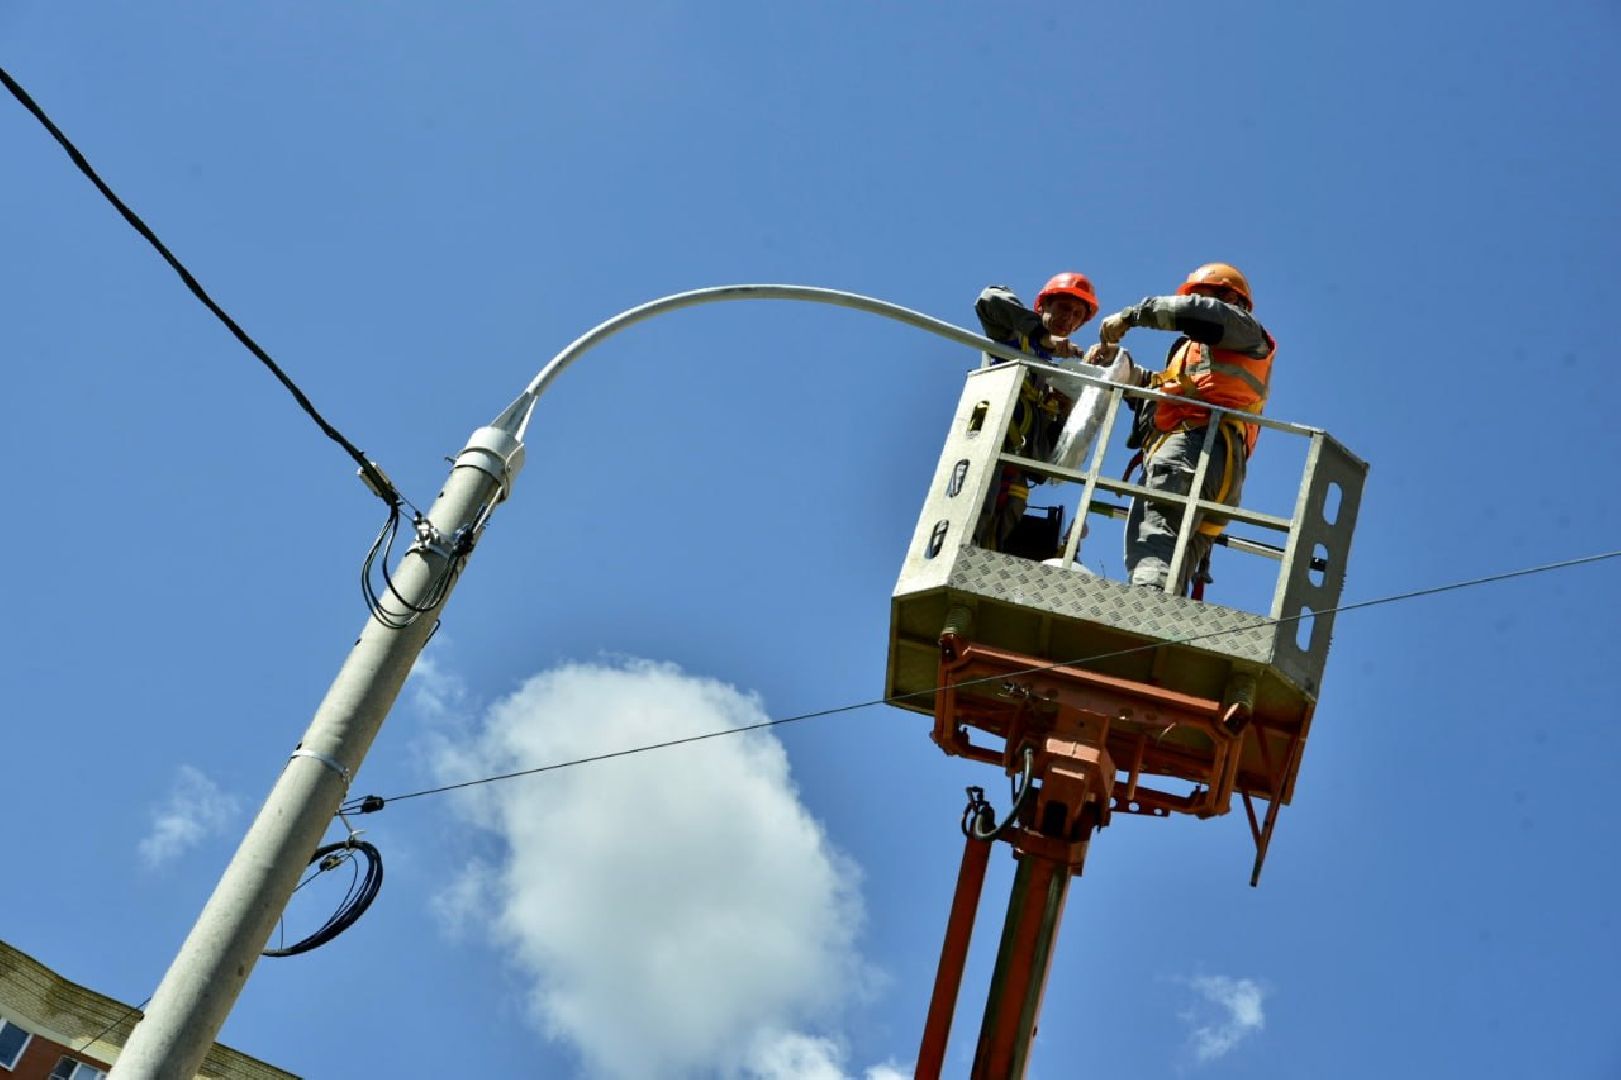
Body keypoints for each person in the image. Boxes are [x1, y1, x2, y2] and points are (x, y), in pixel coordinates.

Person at [1087, 262, 1275, 594]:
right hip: (1218, 468)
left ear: (1231, 297)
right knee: (1177, 565)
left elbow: (1203, 313)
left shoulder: (1243, 330)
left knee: (1154, 545)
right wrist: (1119, 367)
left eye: (1200, 295)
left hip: (1193, 450)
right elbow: (1157, 391)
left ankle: (1144, 614)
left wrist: (1133, 315)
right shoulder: (1201, 354)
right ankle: (1159, 620)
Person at [973, 273, 1099, 553]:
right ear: (1043, 306)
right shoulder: (1013, 335)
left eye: (1078, 315)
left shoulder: (1051, 374)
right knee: (970, 532)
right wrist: (1045, 338)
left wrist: (1064, 412)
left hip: (1017, 477)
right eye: (1064, 308)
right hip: (988, 455)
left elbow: (1051, 454)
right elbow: (989, 298)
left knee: (993, 548)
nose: (1070, 318)